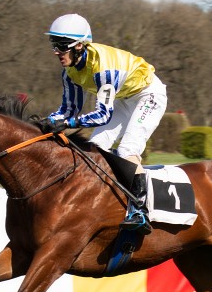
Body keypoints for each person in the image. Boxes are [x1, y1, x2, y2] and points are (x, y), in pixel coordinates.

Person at [41, 13, 167, 234]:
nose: (56, 51)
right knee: (95, 147)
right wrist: (46, 121)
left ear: (80, 45)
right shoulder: (69, 71)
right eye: (54, 44)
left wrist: (68, 122)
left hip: (149, 95)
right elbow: (68, 110)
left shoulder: (103, 68)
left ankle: (139, 210)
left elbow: (102, 116)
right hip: (124, 99)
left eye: (61, 45)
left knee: (127, 149)